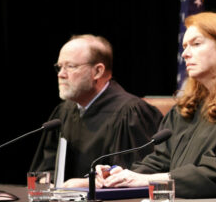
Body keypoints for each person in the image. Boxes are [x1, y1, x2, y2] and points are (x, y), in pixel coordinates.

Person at [98, 12, 216, 198]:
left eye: (196, 44)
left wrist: (149, 180)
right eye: (184, 46)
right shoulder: (186, 108)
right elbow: (160, 161)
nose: (185, 54)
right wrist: (119, 176)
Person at [30, 35, 163, 187]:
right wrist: (50, 183)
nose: (61, 74)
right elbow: (45, 171)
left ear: (98, 71)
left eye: (70, 66)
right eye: (59, 67)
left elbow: (136, 176)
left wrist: (86, 184)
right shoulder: (63, 112)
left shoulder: (131, 113)